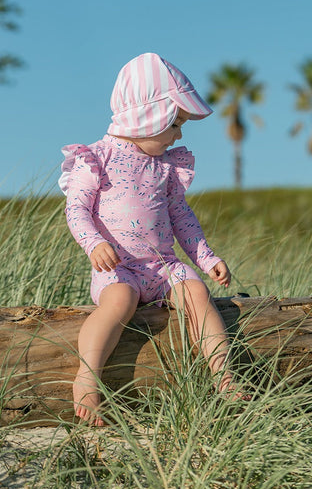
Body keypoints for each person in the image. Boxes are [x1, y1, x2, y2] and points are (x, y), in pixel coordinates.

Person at [59, 52, 248, 426]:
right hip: (120, 267)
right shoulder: (96, 158)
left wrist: (207, 258)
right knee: (118, 301)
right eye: (175, 123)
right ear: (148, 116)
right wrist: (94, 244)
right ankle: (87, 377)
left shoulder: (166, 164)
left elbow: (181, 217)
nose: (179, 134)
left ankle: (223, 373)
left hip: (163, 267)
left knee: (196, 293)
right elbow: (76, 209)